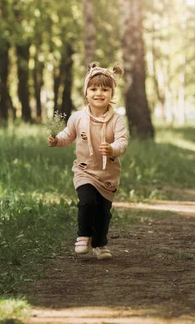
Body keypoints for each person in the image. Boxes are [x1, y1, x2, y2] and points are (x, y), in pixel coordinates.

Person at [47, 63, 128, 260]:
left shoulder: (117, 120)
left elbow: (122, 141)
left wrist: (112, 148)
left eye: (104, 89)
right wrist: (57, 140)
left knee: (103, 212)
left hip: (108, 174)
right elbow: (68, 135)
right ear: (86, 93)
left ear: (111, 93)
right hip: (84, 171)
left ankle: (100, 244)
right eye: (93, 89)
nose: (99, 93)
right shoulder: (77, 118)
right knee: (87, 201)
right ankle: (83, 235)